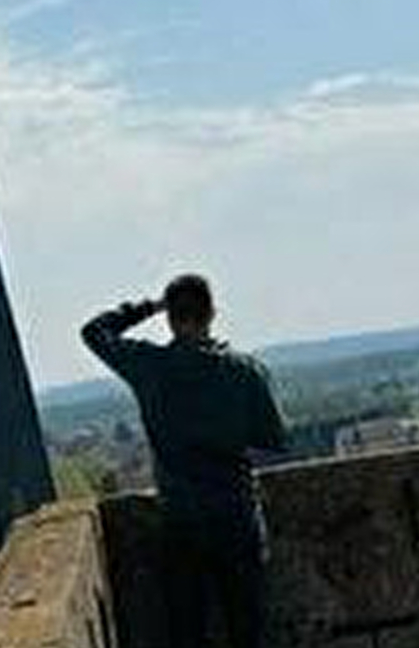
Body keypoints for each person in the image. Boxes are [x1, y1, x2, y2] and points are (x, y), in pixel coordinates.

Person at [80, 274, 287, 648]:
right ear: (212, 314)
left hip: (181, 518)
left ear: (171, 319)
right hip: (237, 514)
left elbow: (94, 332)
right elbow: (274, 440)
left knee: (187, 632)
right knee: (249, 630)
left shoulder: (150, 366)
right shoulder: (246, 371)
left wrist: (148, 307)